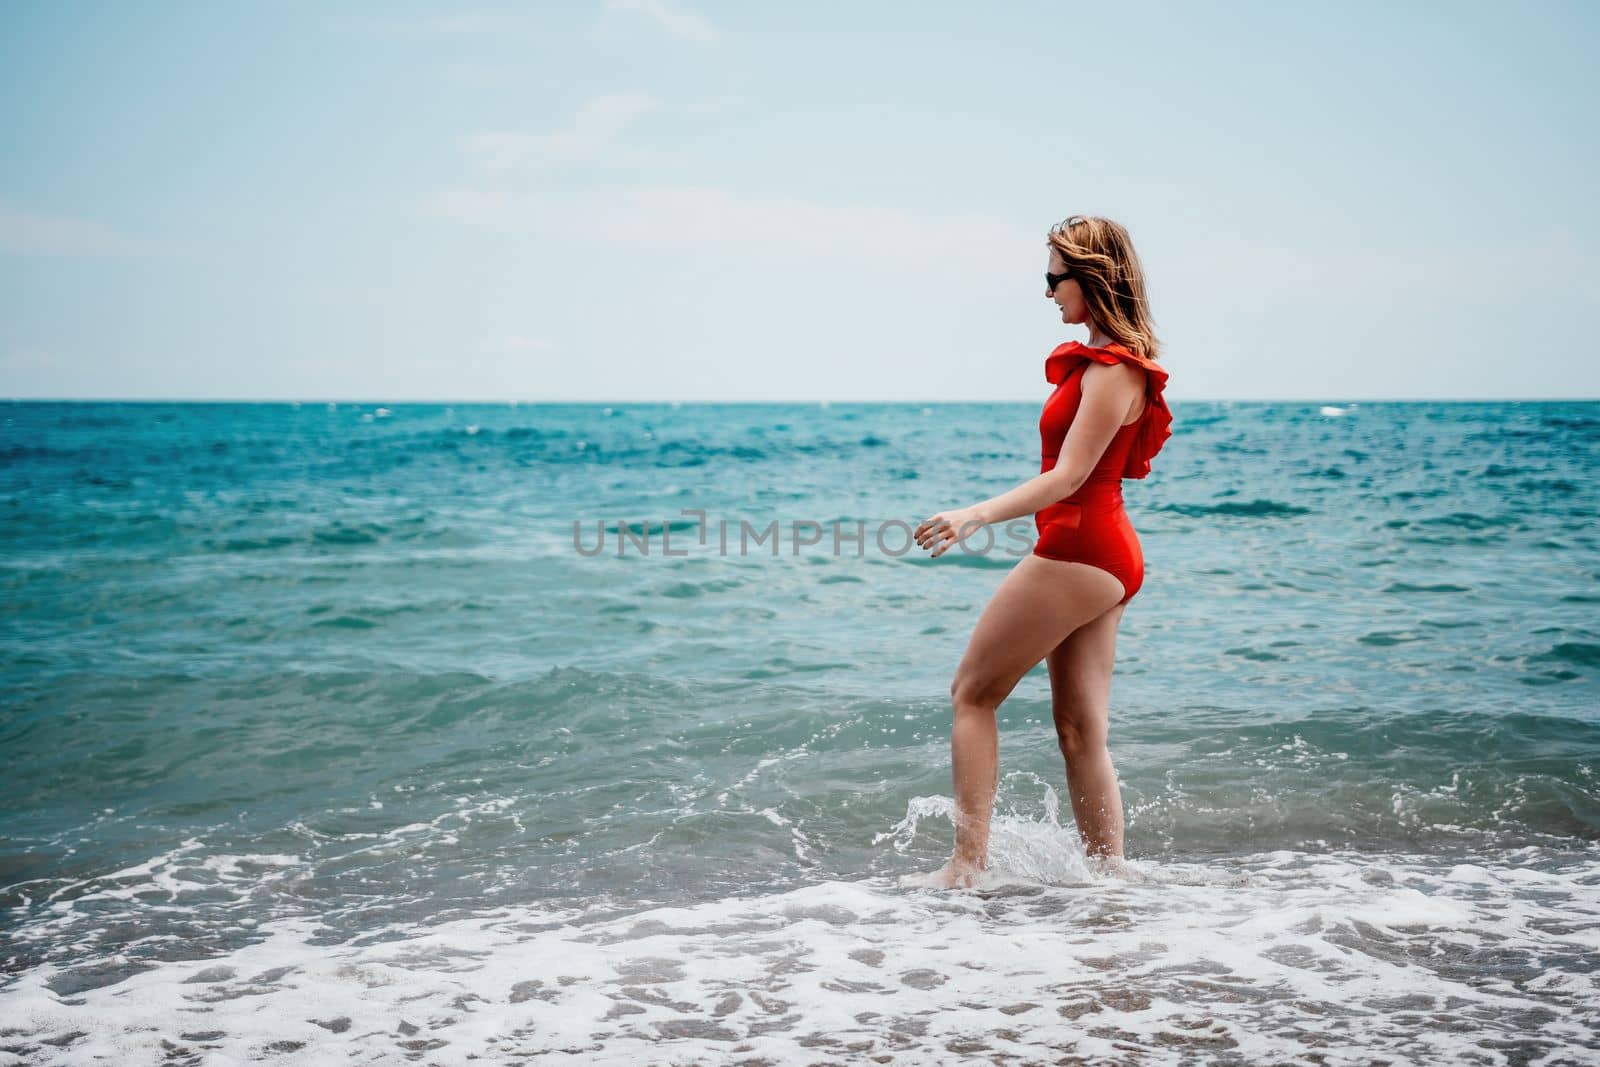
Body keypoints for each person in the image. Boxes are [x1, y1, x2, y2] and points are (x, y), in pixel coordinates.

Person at [911, 214, 1173, 890]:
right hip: (1101, 551)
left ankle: (966, 868)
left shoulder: (1114, 371)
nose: (1048, 290)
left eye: (1055, 277)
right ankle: (1111, 882)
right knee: (1080, 731)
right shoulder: (1106, 364)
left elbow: (1068, 477)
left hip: (1081, 546)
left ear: (1091, 276)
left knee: (972, 693)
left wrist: (976, 514)